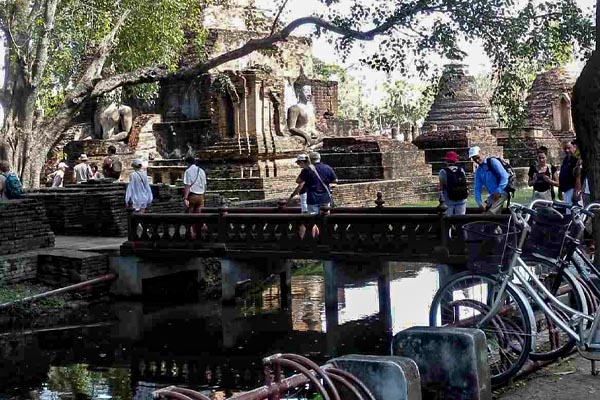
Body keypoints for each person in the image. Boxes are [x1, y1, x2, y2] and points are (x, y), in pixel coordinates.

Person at [469, 146, 509, 214]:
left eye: (478, 158)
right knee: (486, 213)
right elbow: (477, 188)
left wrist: (498, 190)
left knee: (490, 213)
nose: (477, 161)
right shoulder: (479, 171)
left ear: (481, 153)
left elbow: (505, 177)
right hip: (492, 195)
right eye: (475, 160)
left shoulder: (492, 162)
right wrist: (479, 202)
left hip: (502, 191)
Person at [438, 151, 468, 215]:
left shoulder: (443, 172)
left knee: (448, 221)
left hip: (449, 200)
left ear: (447, 161)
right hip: (462, 199)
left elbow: (441, 187)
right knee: (460, 220)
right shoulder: (461, 170)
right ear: (455, 161)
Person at [558, 140, 581, 208]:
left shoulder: (576, 161)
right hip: (566, 190)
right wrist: (560, 190)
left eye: (569, 148)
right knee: (568, 211)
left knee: (574, 211)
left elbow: (578, 176)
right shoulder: (565, 160)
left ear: (574, 147)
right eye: (565, 149)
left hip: (573, 189)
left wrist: (576, 191)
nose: (567, 150)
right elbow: (562, 175)